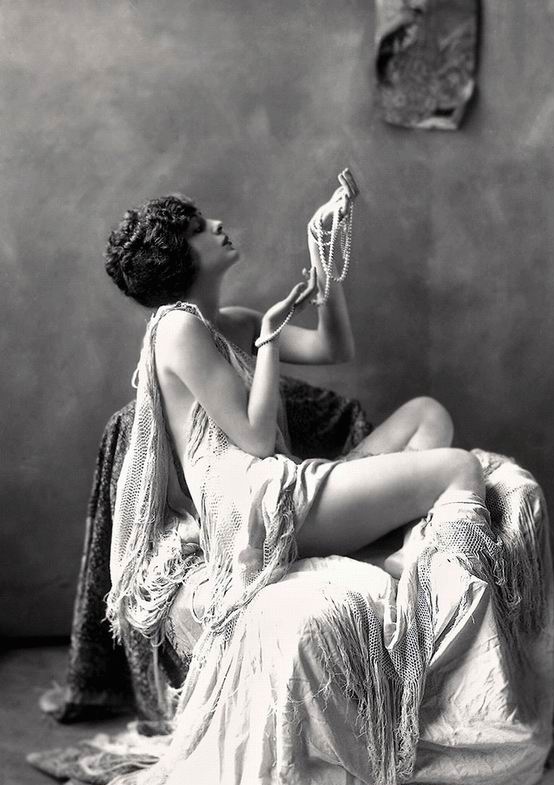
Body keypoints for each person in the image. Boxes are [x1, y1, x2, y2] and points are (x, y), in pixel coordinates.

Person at [105, 180, 485, 574]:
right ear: (174, 258)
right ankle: (413, 551)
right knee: (460, 467)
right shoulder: (177, 328)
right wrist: (269, 337)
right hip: (256, 514)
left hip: (282, 483)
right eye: (198, 229)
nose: (216, 225)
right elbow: (256, 441)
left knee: (426, 413)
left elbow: (332, 348)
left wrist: (321, 251)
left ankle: (400, 540)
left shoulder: (235, 322)